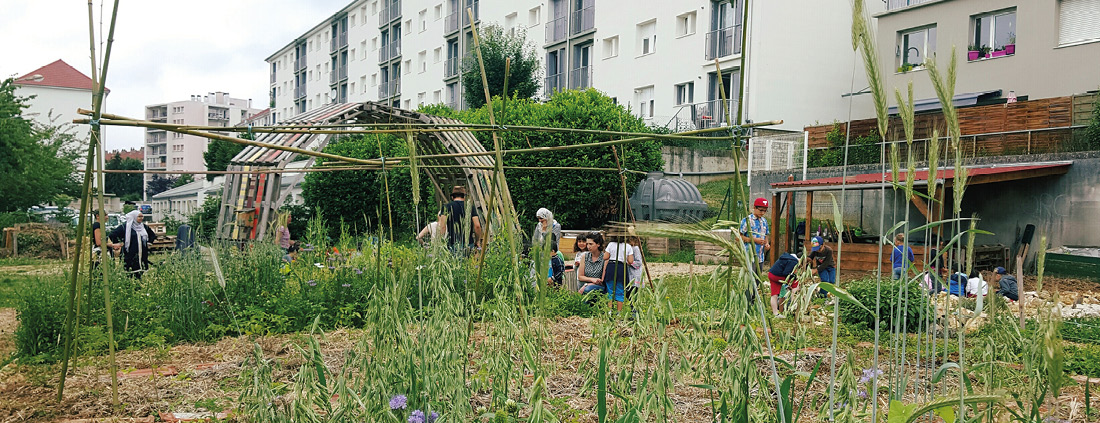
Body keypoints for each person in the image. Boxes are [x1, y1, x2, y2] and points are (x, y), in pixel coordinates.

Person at [108, 210, 157, 278]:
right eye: (139, 216)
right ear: (134, 217)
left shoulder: (144, 227)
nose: (141, 218)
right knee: (130, 271)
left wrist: (149, 243)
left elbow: (152, 235)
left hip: (142, 252)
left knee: (142, 269)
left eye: (142, 216)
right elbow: (112, 235)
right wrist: (119, 243)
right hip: (130, 253)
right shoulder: (125, 227)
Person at [438, 186, 482, 254]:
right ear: (464, 196)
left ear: (452, 197)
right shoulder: (470, 207)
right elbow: (477, 226)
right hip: (468, 243)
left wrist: (441, 242)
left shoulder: (446, 207)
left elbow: (442, 226)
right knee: (468, 264)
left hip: (452, 243)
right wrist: (477, 241)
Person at [603, 233, 635, 311]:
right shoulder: (628, 246)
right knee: (620, 290)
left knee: (610, 289)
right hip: (621, 268)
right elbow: (630, 261)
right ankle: (619, 312)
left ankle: (610, 311)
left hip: (611, 267)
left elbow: (605, 257)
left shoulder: (610, 244)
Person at [739, 197, 771, 272]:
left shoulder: (764, 221)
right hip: (750, 256)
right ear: (754, 208)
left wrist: (767, 243)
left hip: (761, 256)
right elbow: (738, 237)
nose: (762, 213)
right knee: (750, 280)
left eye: (765, 211)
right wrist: (753, 240)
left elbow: (766, 234)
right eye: (761, 210)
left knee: (758, 279)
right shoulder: (747, 220)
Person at [767, 252, 800, 317]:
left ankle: (775, 313)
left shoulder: (784, 258)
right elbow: (787, 273)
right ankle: (794, 305)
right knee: (796, 284)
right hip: (778, 276)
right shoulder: (794, 261)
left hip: (771, 274)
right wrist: (795, 278)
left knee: (774, 295)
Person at [577, 232, 608, 299]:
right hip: (584, 286)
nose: (588, 246)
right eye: (587, 244)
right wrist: (592, 280)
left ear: (598, 244)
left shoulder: (604, 258)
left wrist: (590, 284)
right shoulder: (584, 256)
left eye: (591, 244)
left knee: (588, 289)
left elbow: (602, 280)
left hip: (599, 287)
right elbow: (580, 276)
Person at [625, 235, 645, 303]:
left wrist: (629, 262)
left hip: (634, 273)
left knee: (633, 292)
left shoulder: (635, 249)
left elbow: (639, 262)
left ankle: (634, 309)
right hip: (628, 273)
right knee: (628, 291)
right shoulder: (626, 249)